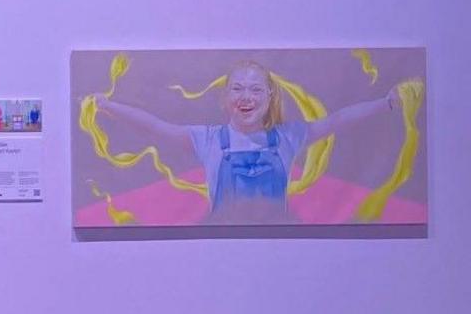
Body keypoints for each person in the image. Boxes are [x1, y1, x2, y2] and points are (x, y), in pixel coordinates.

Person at [95, 58, 404, 224]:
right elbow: (154, 127)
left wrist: (386, 103)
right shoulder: (208, 140)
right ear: (225, 97)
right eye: (238, 89)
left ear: (270, 97)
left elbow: (338, 120)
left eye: (256, 90)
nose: (246, 98)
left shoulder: (288, 138)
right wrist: (106, 106)